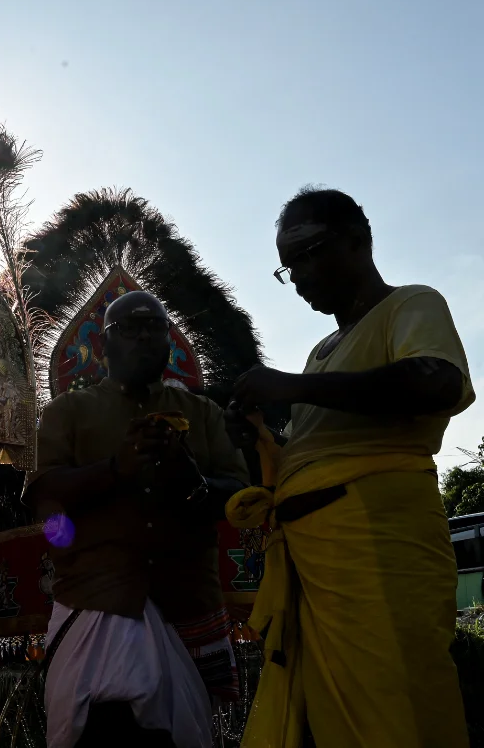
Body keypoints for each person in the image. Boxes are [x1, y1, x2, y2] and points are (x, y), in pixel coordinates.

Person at [225, 187, 473, 748]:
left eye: (310, 252)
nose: (302, 276)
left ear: (360, 241)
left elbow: (438, 381)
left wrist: (291, 386)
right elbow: (307, 460)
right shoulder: (321, 351)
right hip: (312, 564)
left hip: (379, 548)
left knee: (400, 716)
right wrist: (258, 439)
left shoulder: (411, 304)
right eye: (289, 267)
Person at [24, 291, 249, 748]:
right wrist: (114, 471)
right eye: (130, 327)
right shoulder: (67, 412)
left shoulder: (203, 415)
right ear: (103, 345)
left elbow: (240, 494)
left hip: (188, 604)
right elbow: (43, 499)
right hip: (96, 606)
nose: (145, 336)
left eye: (155, 327)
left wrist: (189, 476)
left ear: (171, 341)